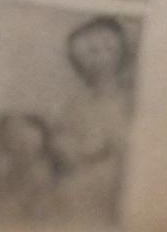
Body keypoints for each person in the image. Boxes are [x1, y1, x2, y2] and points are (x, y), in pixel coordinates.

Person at [54, 16, 133, 224]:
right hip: (80, 179)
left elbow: (124, 142)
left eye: (109, 49)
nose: (101, 59)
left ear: (122, 53)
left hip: (117, 177)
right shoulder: (75, 101)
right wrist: (68, 150)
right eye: (91, 51)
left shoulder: (129, 97)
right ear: (77, 60)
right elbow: (61, 136)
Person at [0, 112, 61, 222]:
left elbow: (43, 208)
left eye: (30, 145)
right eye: (20, 143)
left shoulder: (41, 171)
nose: (26, 150)